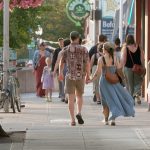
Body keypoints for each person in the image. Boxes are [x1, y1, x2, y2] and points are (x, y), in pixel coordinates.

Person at [88, 42, 135, 126]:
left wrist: (91, 79)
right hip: (114, 81)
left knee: (105, 101)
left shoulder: (101, 59)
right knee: (113, 99)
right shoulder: (115, 58)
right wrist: (123, 79)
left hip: (104, 82)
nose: (102, 49)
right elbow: (119, 70)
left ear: (105, 49)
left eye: (103, 48)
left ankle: (106, 120)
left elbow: (97, 73)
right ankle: (113, 119)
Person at [59, 31, 90, 126]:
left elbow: (61, 63)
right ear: (78, 38)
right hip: (80, 75)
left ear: (70, 38)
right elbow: (87, 63)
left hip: (69, 76)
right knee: (79, 96)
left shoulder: (65, 49)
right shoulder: (84, 49)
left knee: (71, 98)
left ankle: (72, 120)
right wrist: (88, 75)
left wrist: (60, 73)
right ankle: (79, 113)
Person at [121, 35, 145, 104]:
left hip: (128, 69)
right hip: (138, 68)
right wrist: (143, 66)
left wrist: (122, 68)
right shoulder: (139, 47)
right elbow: (142, 58)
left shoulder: (125, 48)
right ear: (133, 39)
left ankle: (132, 100)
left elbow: (124, 60)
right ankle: (136, 93)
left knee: (130, 85)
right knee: (138, 82)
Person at [89, 34, 107, 102]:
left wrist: (89, 71)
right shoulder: (107, 47)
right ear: (104, 39)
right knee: (104, 83)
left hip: (95, 67)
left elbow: (89, 58)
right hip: (104, 68)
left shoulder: (93, 48)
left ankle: (98, 97)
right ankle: (102, 97)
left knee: (96, 83)